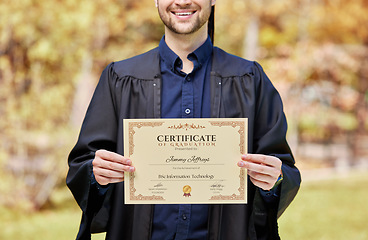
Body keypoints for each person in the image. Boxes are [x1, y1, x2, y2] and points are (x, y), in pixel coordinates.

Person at [67, 0, 301, 239]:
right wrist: (96, 174)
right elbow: (83, 165)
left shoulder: (249, 80)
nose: (181, 1)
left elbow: (284, 170)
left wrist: (275, 178)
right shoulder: (120, 79)